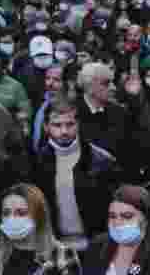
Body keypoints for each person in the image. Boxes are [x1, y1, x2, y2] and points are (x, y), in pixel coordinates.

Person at [32, 97, 121, 253]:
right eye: (57, 125)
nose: (64, 131)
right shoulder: (35, 164)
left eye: (70, 124)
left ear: (78, 124)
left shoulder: (101, 160)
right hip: (54, 247)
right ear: (46, 127)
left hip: (97, 245)